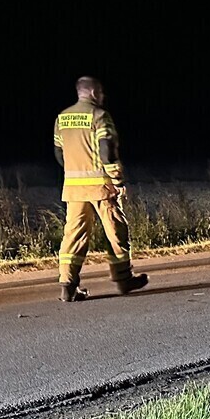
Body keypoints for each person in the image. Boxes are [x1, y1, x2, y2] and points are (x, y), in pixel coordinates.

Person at [53, 76, 148, 302]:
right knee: (116, 231)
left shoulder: (62, 118)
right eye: (102, 93)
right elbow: (107, 150)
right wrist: (117, 181)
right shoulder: (99, 116)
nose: (103, 97)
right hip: (101, 187)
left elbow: (59, 154)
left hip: (74, 189)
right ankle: (124, 280)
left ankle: (67, 285)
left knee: (73, 236)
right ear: (94, 93)